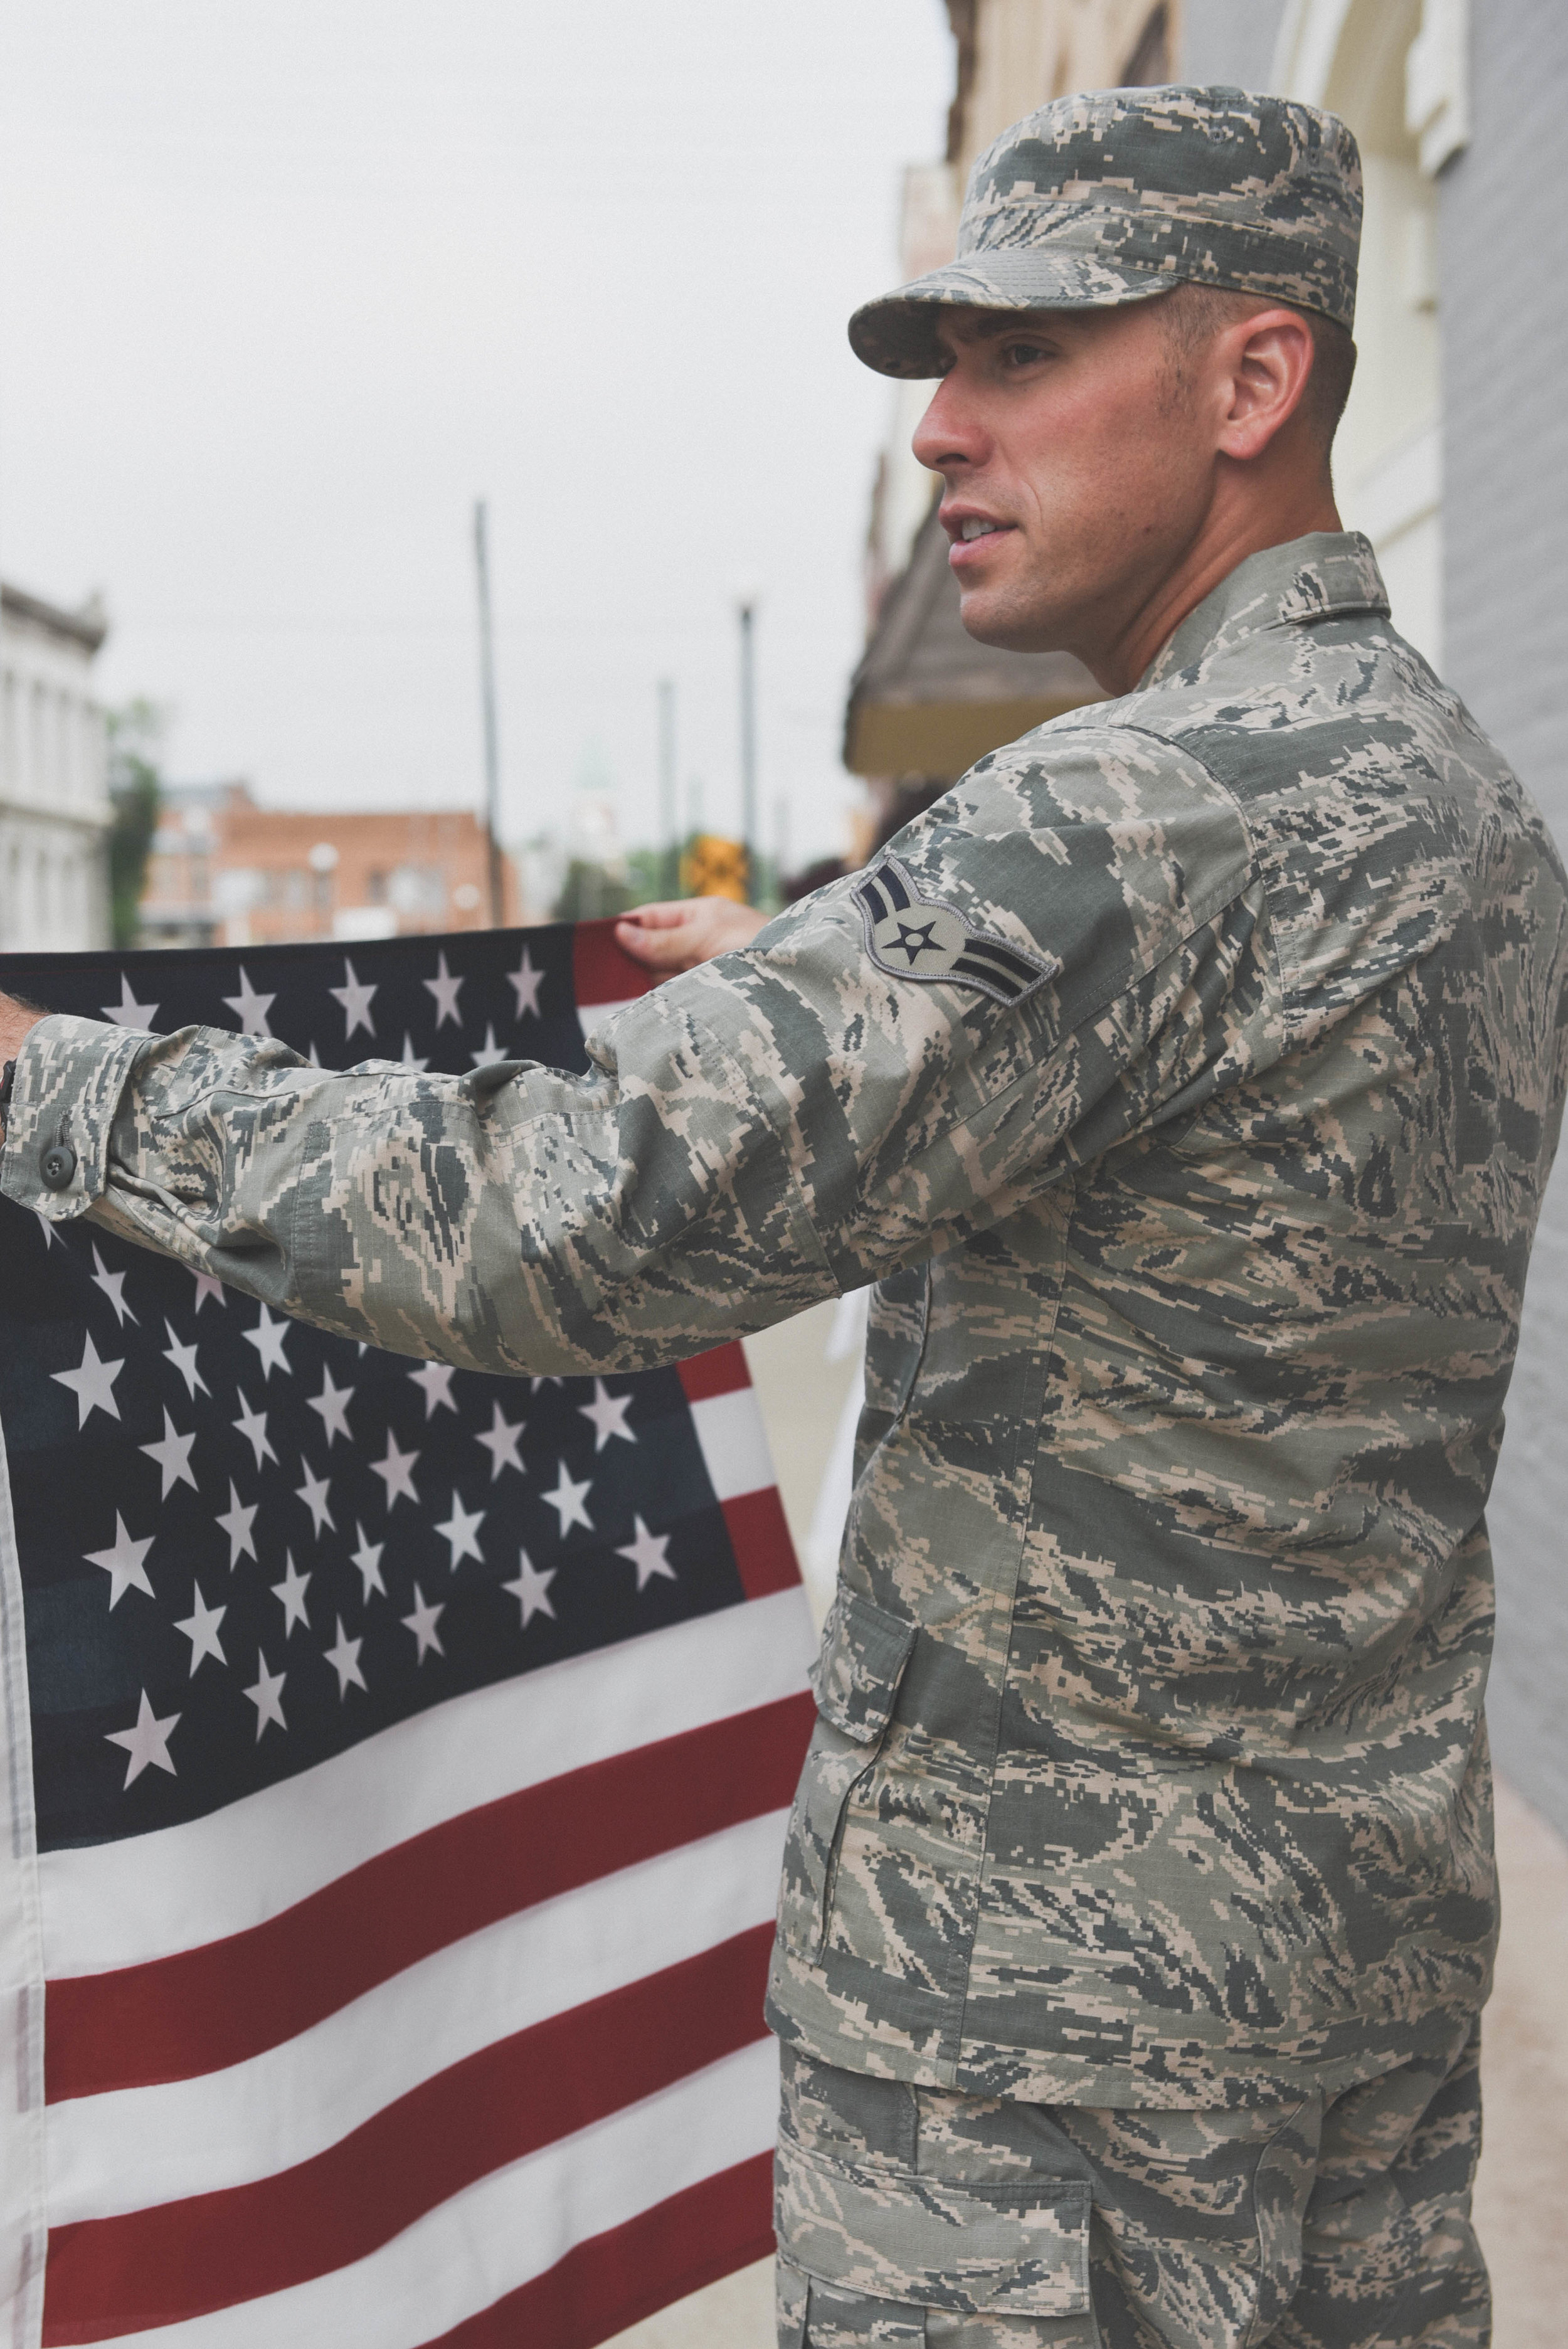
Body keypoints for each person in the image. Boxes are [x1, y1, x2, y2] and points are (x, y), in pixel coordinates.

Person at [2, 83, 1562, 2349]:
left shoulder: (1128, 810)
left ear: (1254, 380)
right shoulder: (1454, 798)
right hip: (1340, 2007)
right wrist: (843, 982)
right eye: (941, 368)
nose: (941, 429)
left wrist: (72, 1090)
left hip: (1047, 2081)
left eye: (1022, 355)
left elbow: (559, 1222)